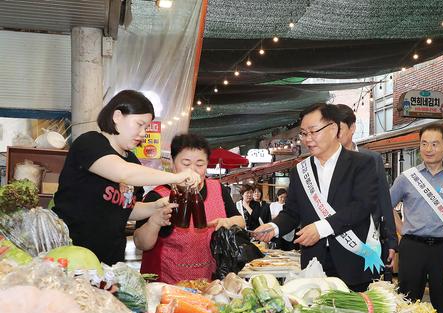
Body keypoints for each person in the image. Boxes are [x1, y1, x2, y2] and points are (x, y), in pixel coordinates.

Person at [53, 90, 200, 265]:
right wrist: (175, 177)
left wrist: (155, 207)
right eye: (140, 124)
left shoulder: (132, 160)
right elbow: (123, 173)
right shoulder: (90, 143)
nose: (144, 133)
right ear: (117, 116)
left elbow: (126, 209)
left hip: (110, 260)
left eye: (146, 127)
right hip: (70, 254)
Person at [254, 103, 380, 291]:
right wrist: (274, 227)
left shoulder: (362, 163)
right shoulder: (300, 170)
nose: (308, 139)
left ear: (333, 128)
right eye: (304, 133)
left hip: (353, 261)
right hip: (314, 264)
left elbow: (362, 206)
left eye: (313, 131)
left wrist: (321, 228)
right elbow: (292, 212)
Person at [133, 133, 244, 283]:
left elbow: (240, 220)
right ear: (172, 163)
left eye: (200, 164)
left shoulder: (217, 189)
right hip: (167, 285)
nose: (193, 170)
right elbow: (141, 243)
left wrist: (227, 222)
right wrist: (155, 222)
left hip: (210, 282)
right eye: (186, 164)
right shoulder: (158, 196)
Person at [389, 123, 443, 313]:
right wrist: (402, 230)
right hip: (412, 247)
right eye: (424, 144)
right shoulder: (406, 178)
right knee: (407, 300)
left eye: (435, 144)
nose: (428, 149)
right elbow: (386, 207)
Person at [336, 104, 398, 269]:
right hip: (335, 237)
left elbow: (384, 199)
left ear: (352, 128)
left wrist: (392, 240)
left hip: (368, 237)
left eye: (339, 129)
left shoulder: (372, 159)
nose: (335, 134)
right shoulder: (324, 161)